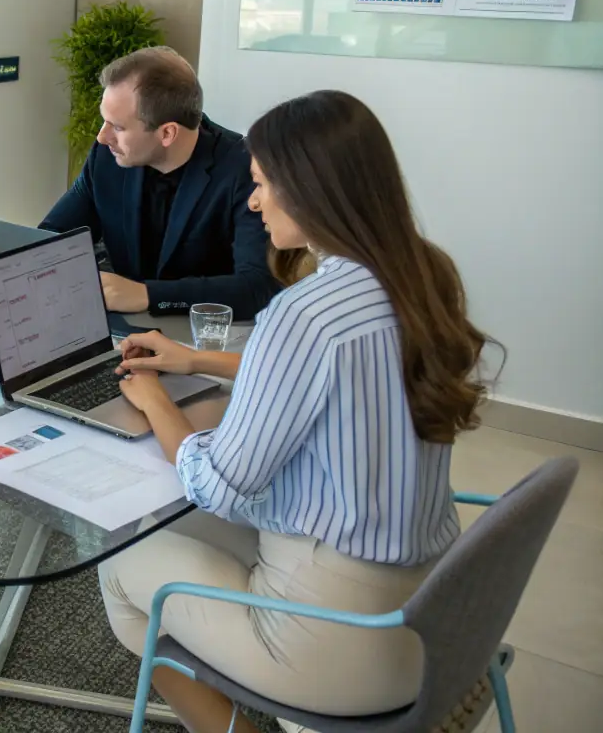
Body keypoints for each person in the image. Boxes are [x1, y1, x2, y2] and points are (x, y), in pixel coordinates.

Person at [98, 90, 496, 733]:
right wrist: (195, 361)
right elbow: (325, 372)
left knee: (119, 565)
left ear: (310, 191)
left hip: (338, 635)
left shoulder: (301, 314)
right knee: (161, 528)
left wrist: (151, 401)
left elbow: (216, 485)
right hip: (432, 604)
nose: (253, 202)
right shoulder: (424, 276)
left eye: (259, 186)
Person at [41, 47, 278, 321]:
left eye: (117, 127)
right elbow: (54, 234)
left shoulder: (245, 169)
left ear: (167, 133)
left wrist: (147, 295)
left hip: (204, 340)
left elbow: (257, 287)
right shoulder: (106, 156)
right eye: (104, 121)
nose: (102, 137)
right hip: (124, 331)